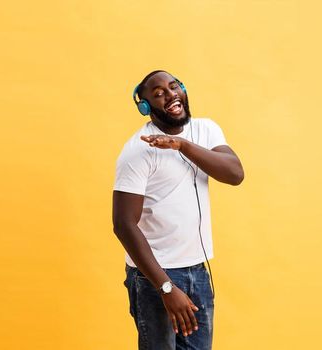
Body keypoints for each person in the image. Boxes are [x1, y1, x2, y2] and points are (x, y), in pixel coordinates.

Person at [113, 70, 245, 349]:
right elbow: (124, 224)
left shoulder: (206, 130)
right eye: (159, 94)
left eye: (173, 87)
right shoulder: (138, 152)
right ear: (145, 107)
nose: (170, 94)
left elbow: (234, 174)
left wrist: (182, 146)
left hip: (197, 271)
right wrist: (166, 288)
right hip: (154, 278)